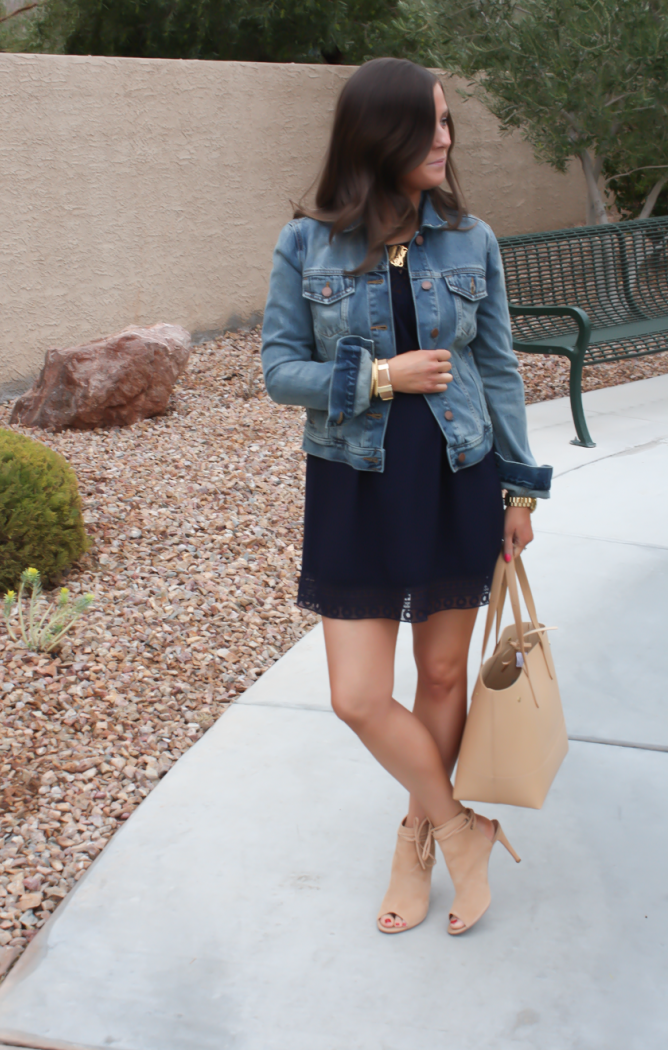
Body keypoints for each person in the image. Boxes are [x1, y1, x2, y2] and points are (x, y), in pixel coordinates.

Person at [261, 58, 552, 936]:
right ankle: (461, 829)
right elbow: (279, 372)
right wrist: (380, 375)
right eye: (426, 123)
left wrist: (520, 490)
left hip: (457, 478)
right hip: (353, 480)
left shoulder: (473, 240)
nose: (444, 138)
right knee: (356, 695)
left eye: (446, 121)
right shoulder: (305, 243)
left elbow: (497, 368)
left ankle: (415, 841)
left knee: (436, 672)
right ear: (375, 134)